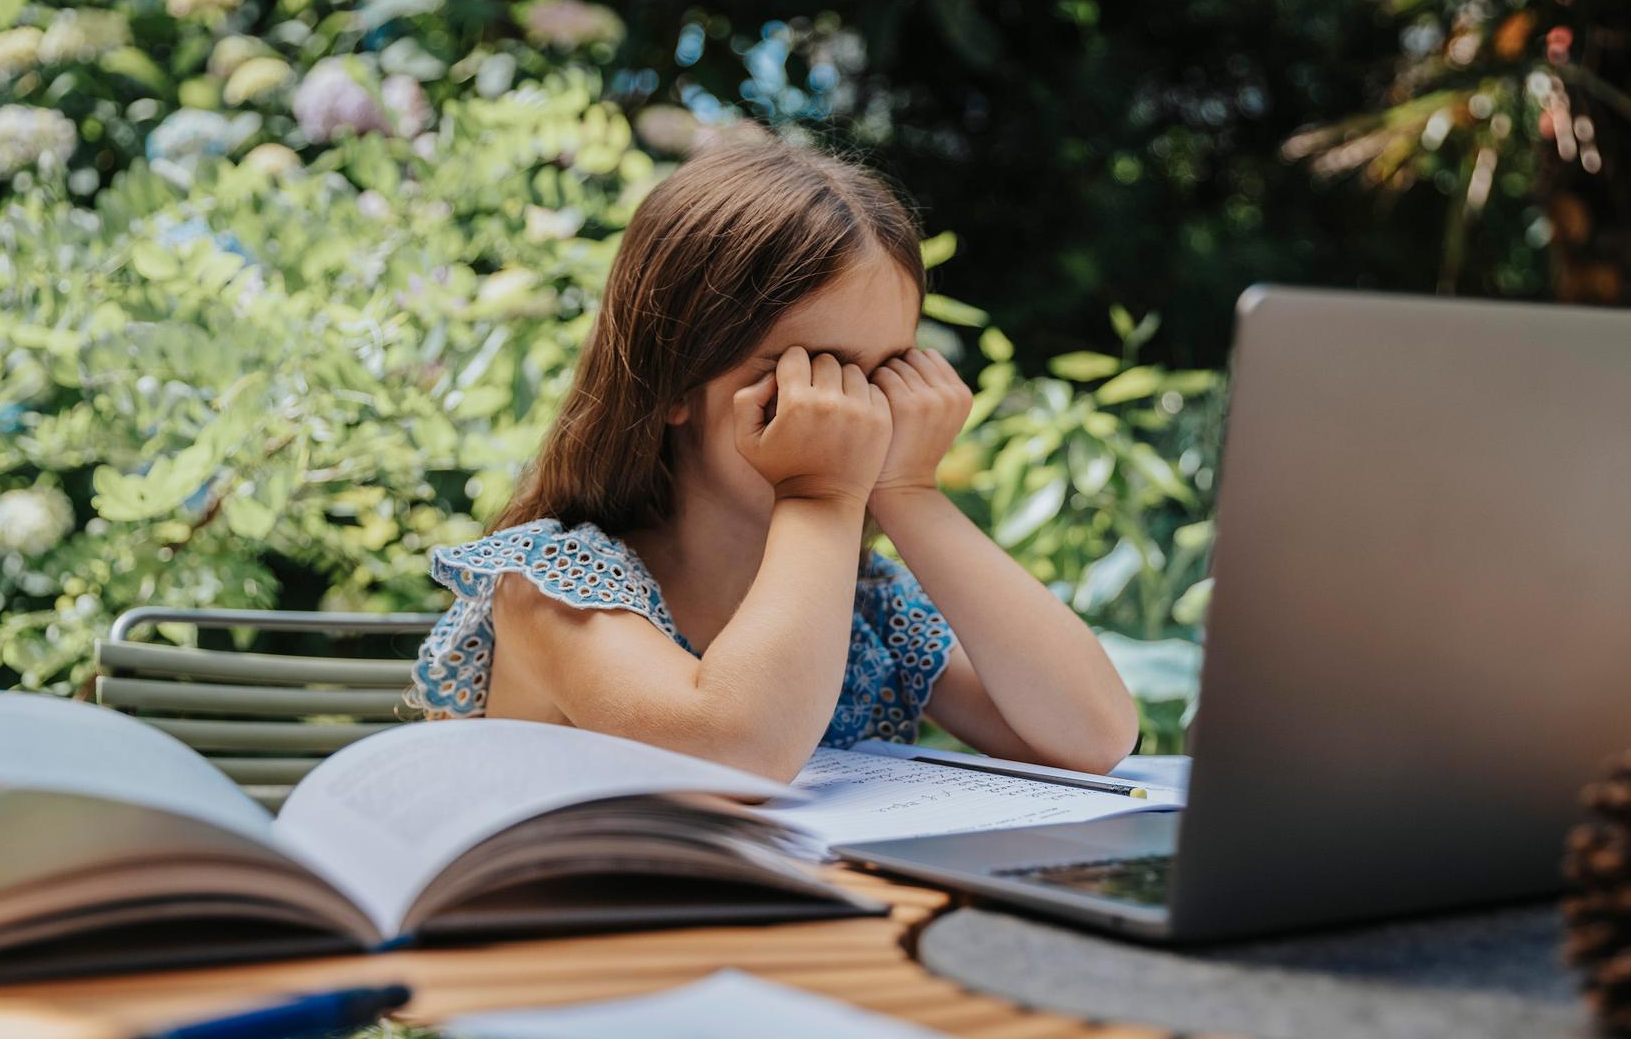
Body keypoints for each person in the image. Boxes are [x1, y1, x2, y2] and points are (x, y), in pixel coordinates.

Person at [408, 132, 1138, 782]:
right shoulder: (552, 589)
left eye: (885, 373)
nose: (851, 410)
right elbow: (737, 752)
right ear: (674, 385)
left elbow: (1092, 736)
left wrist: (912, 490)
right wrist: (819, 494)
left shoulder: (868, 608)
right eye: (811, 370)